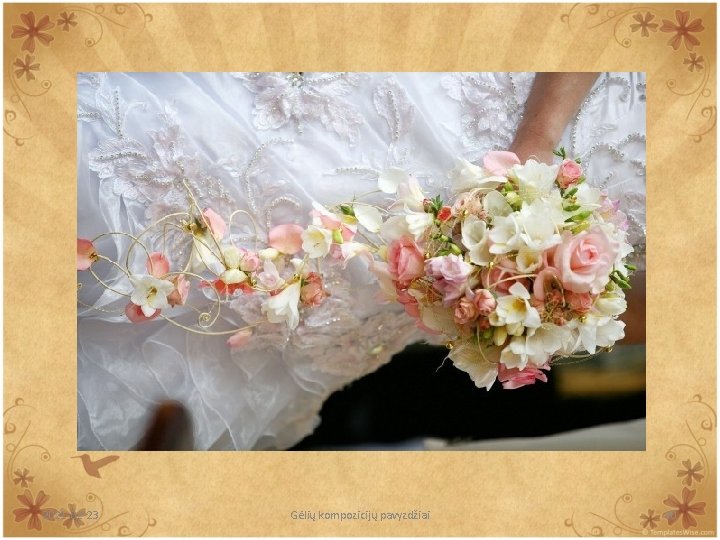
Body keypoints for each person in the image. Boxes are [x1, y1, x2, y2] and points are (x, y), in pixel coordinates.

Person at [77, 72, 646, 450]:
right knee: (171, 190)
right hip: (457, 125)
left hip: (407, 294)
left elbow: (651, 313)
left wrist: (544, 317)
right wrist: (534, 145)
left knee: (228, 333)